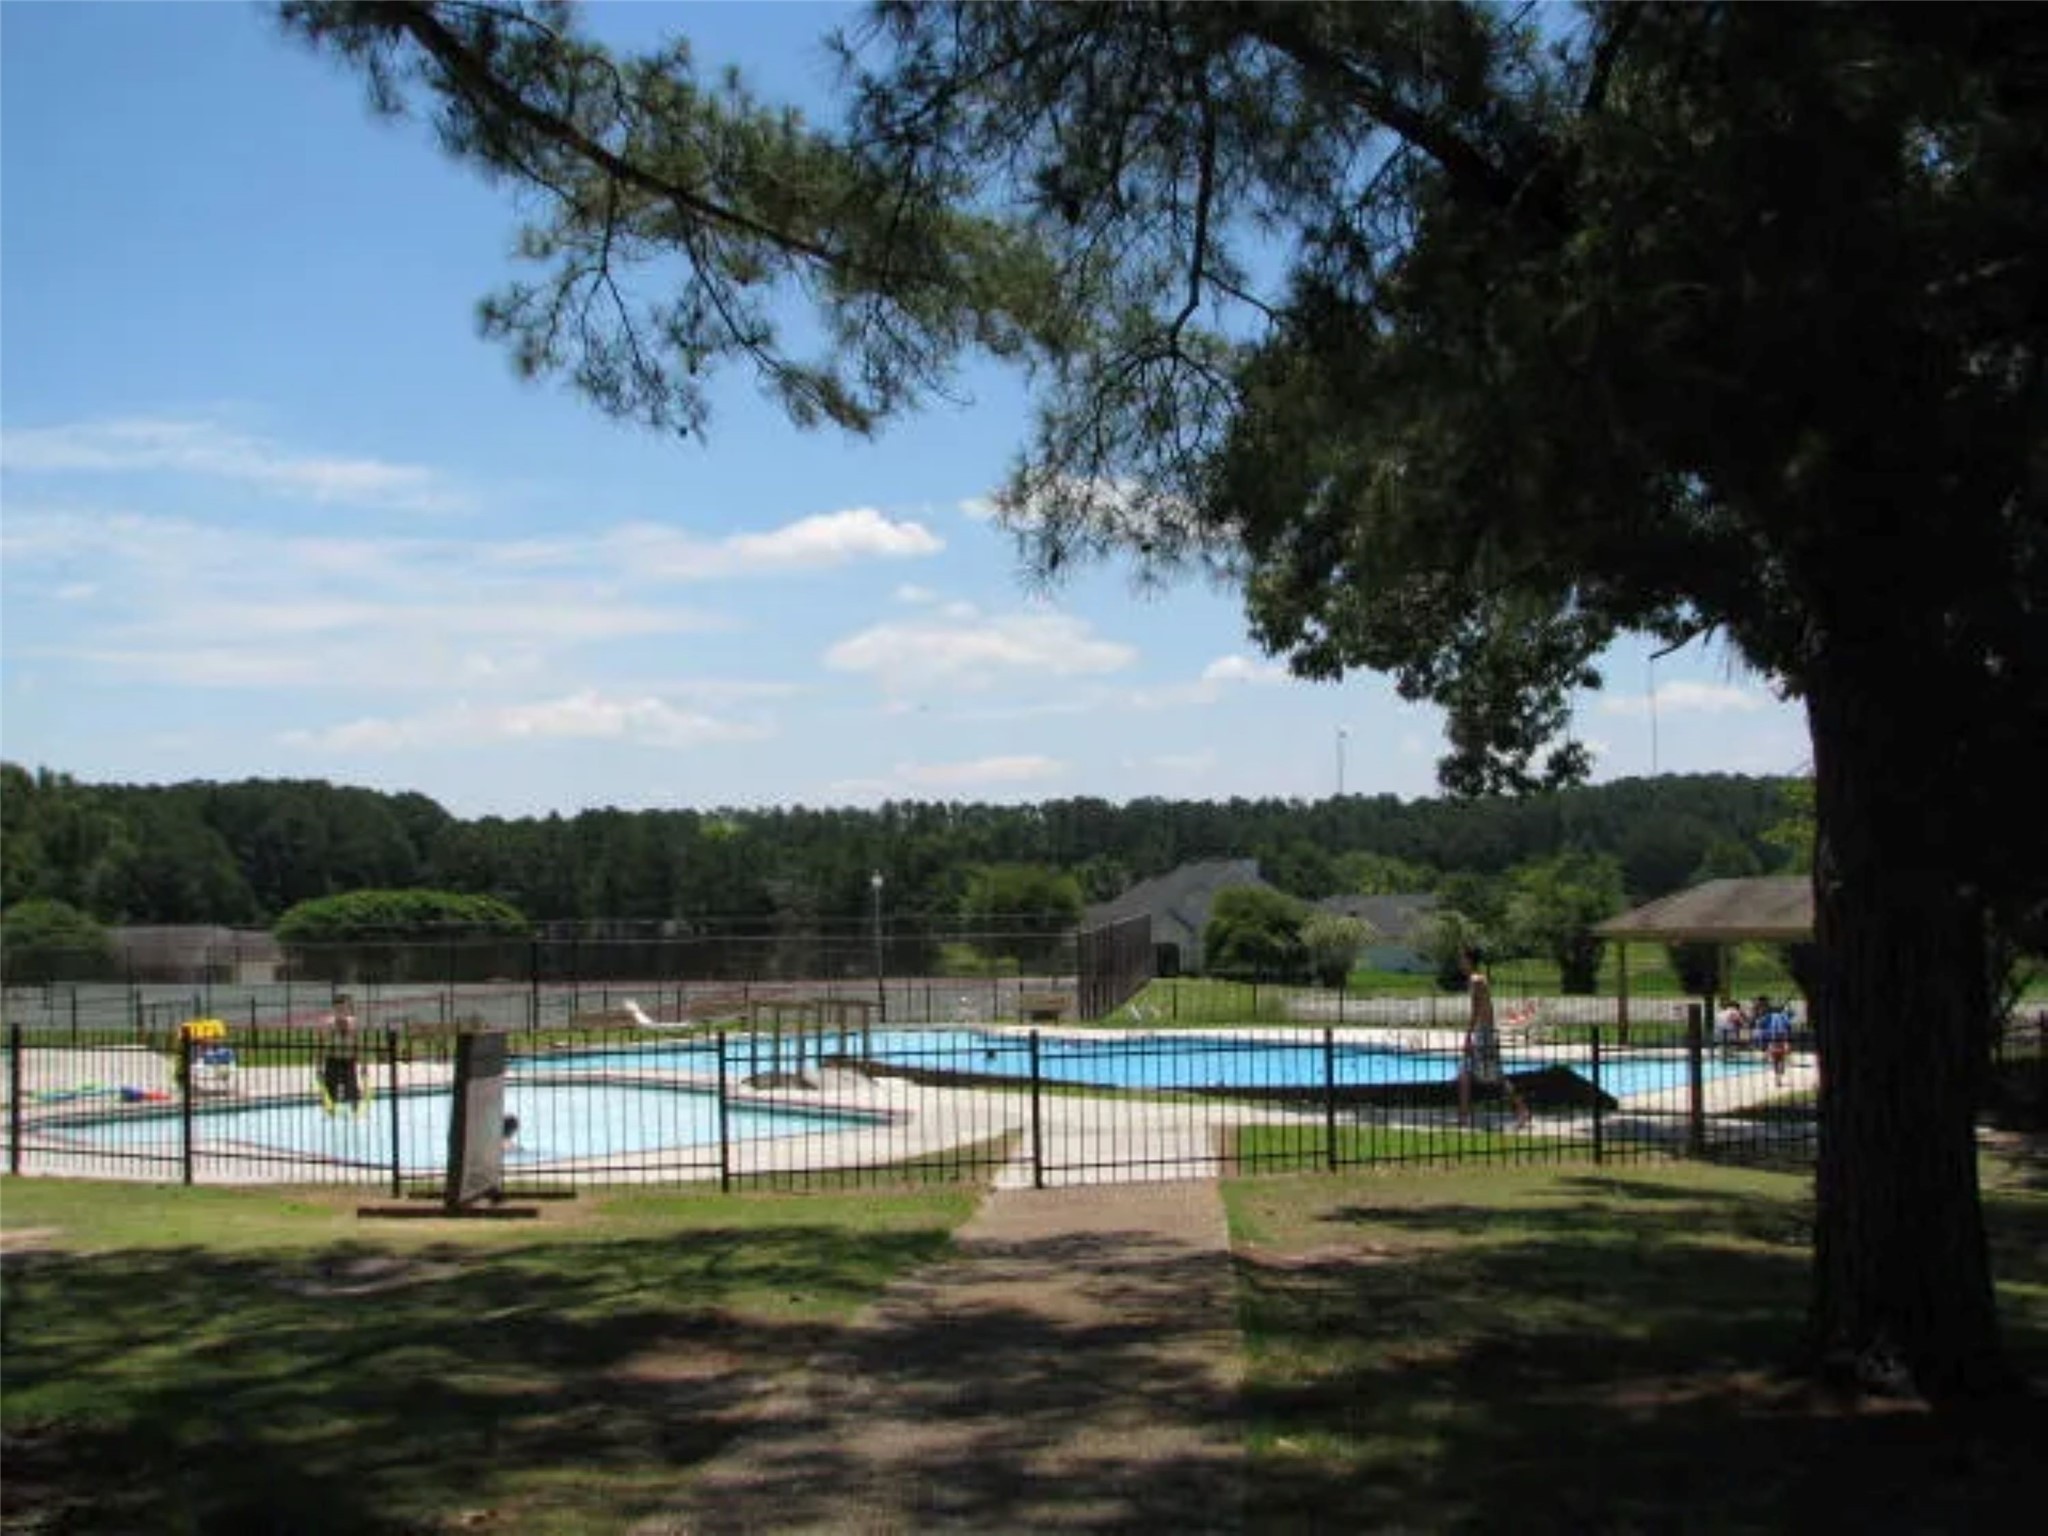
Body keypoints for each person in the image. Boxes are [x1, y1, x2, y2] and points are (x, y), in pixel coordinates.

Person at [1458, 948, 1530, 1129]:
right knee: (1465, 1073)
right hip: (1484, 1033)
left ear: (1469, 960)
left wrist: (1467, 1036)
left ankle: (1522, 1110)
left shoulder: (1476, 980)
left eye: (1462, 959)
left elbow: (1476, 1011)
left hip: (1484, 1034)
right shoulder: (1478, 979)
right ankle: (1464, 1116)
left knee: (1496, 1077)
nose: (1460, 963)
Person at [319, 993, 364, 1110]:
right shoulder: (329, 1024)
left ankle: (356, 1113)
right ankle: (329, 1113)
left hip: (349, 1060)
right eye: (338, 1009)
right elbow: (322, 1045)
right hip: (333, 1060)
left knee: (352, 1090)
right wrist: (319, 1066)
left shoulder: (353, 1023)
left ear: (347, 1009)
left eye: (344, 1008)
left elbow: (357, 1044)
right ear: (334, 1009)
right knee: (330, 1092)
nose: (341, 1011)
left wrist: (363, 1065)